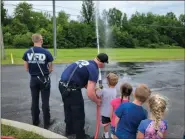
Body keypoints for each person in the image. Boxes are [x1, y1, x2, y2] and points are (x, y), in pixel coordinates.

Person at [58, 53, 109, 139]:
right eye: (105, 63)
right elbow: (89, 93)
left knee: (68, 110)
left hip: (63, 86)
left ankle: (69, 131)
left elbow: (84, 82)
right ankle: (81, 136)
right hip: (72, 90)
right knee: (79, 115)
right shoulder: (94, 70)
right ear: (102, 63)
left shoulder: (86, 62)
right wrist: (97, 101)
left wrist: (95, 89)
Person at [22, 33, 55, 129]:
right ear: (41, 40)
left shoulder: (27, 52)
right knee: (45, 101)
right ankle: (47, 123)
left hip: (33, 79)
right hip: (44, 79)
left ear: (33, 41)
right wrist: (48, 70)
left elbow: (26, 68)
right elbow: (51, 66)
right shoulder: (46, 52)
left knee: (34, 100)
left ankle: (35, 121)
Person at [95, 72, 119, 138]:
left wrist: (98, 88)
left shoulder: (104, 90)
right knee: (112, 124)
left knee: (105, 125)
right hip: (113, 112)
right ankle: (112, 134)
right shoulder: (115, 90)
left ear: (108, 82)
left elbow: (98, 93)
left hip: (105, 112)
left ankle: (106, 135)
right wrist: (101, 88)